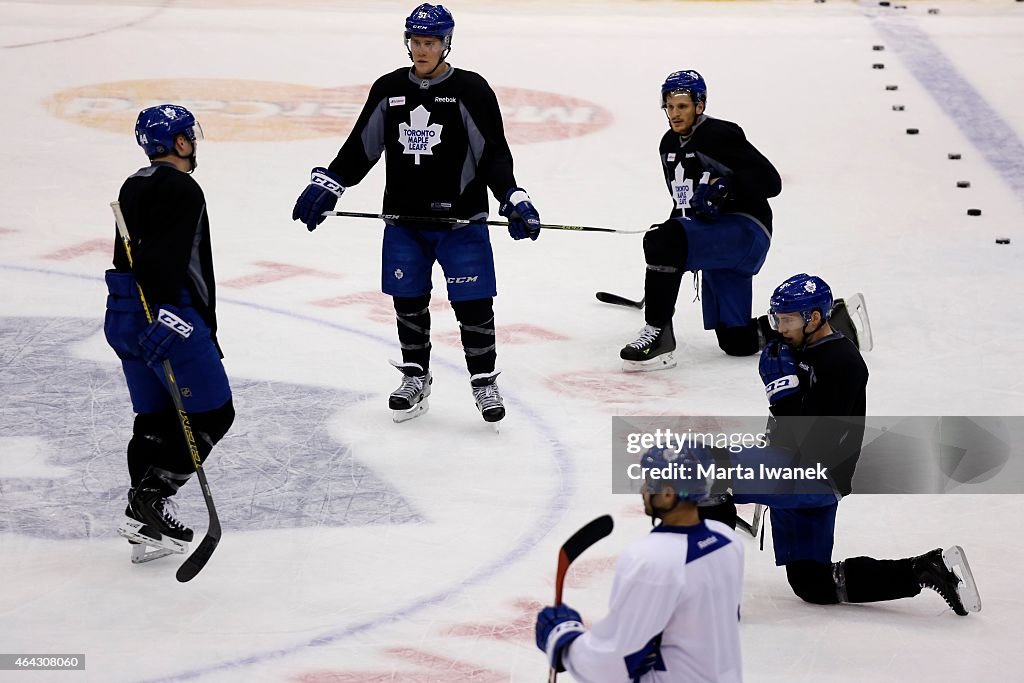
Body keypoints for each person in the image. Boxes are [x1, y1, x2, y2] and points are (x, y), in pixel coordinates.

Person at [291, 3, 541, 425]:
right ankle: (415, 377)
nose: (422, 49)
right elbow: (362, 146)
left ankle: (483, 381)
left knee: (474, 305)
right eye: (416, 41)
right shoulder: (388, 88)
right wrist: (329, 182)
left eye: (431, 41)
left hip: (461, 222)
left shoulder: (471, 89)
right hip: (404, 222)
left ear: (446, 43)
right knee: (408, 301)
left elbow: (492, 153)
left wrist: (512, 196)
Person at [736, 273, 981, 614]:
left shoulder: (842, 364)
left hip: (810, 476)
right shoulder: (800, 345)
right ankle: (926, 568)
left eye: (788, 319)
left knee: (703, 479)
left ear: (815, 318)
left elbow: (810, 441)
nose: (779, 327)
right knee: (812, 583)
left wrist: (780, 396)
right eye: (777, 318)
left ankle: (710, 594)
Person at [105, 104, 235, 561]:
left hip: (123, 311)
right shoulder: (184, 187)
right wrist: (170, 316)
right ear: (180, 142)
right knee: (215, 413)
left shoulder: (133, 183)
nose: (193, 143)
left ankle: (145, 525)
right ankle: (152, 498)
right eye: (189, 136)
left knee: (155, 419)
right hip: (168, 316)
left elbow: (127, 257)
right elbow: (164, 260)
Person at [535, 447, 744, 682]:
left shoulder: (651, 560)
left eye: (649, 483)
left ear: (667, 494)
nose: (644, 490)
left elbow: (612, 661)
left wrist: (562, 639)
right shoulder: (728, 540)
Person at [620, 70, 781, 371]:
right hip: (715, 236)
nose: (675, 113)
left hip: (745, 230)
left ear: (700, 105)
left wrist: (727, 186)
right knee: (736, 342)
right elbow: (682, 203)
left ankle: (658, 336)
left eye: (682, 106)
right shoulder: (668, 144)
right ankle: (819, 319)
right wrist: (666, 256)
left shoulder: (720, 134)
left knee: (665, 241)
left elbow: (771, 183)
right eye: (670, 106)